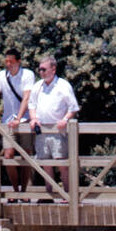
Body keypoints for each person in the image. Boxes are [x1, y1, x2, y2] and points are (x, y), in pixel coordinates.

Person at [27, 55, 79, 200]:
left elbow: (73, 107)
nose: (41, 72)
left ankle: (67, 195)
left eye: (44, 69)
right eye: (39, 69)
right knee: (45, 164)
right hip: (41, 130)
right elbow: (31, 105)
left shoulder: (63, 85)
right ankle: (49, 194)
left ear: (53, 69)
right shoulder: (37, 86)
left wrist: (65, 119)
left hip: (58, 130)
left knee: (62, 163)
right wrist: (34, 118)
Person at [0, 49, 35, 195]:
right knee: (8, 155)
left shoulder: (27, 74)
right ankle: (15, 190)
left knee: (26, 154)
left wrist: (19, 118)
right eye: (6, 61)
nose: (8, 64)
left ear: (18, 61)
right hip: (8, 121)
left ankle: (24, 191)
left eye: (11, 62)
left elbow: (27, 97)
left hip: (25, 119)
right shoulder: (2, 75)